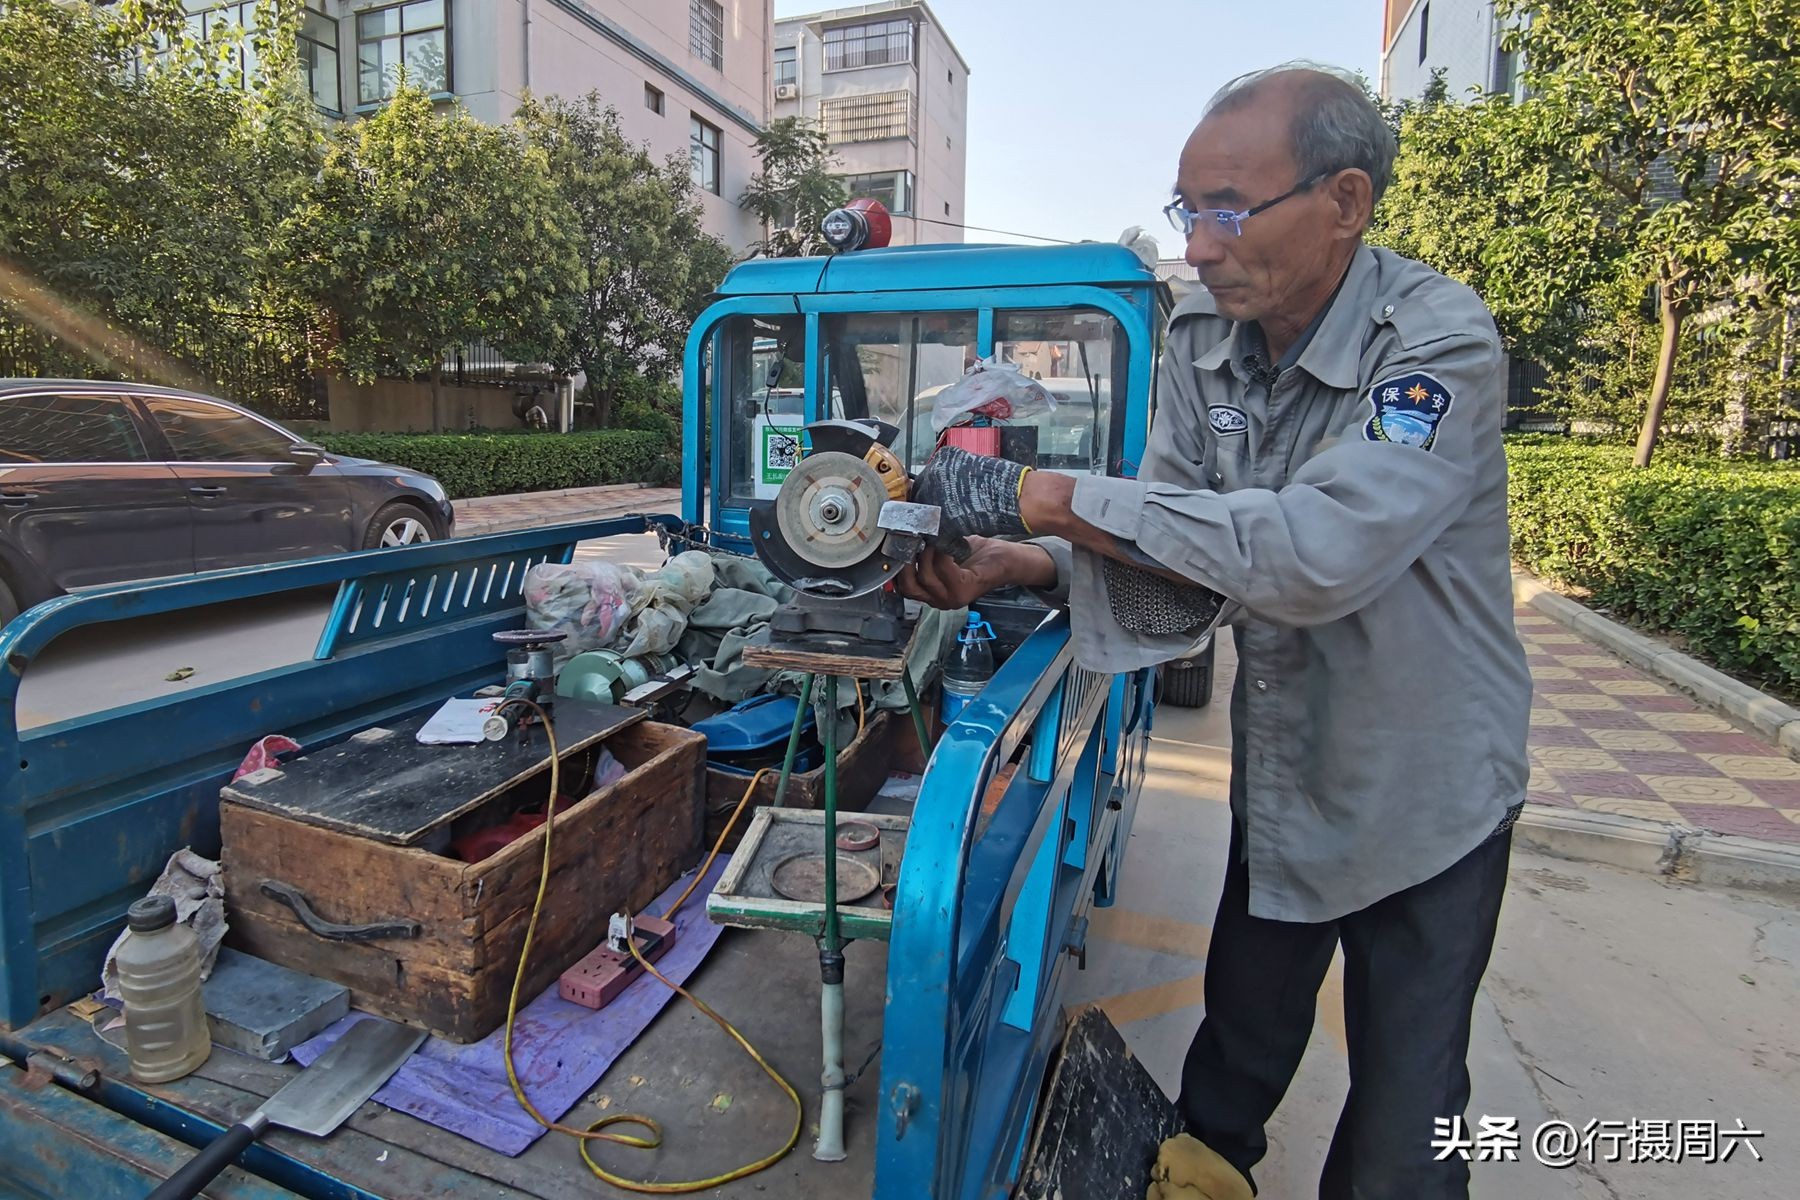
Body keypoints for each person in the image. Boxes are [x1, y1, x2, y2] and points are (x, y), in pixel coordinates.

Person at [900, 62, 1532, 1200]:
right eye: (1191, 211)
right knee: (1241, 1027)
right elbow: (1179, 553)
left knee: (1409, 1095)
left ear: (1345, 201)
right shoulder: (1201, 337)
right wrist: (1023, 561)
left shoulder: (1436, 344)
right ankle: (1205, 1168)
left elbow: (1306, 555)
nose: (1197, 246)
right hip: (1290, 756)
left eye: (1231, 212)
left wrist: (1045, 497)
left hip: (1431, 782)